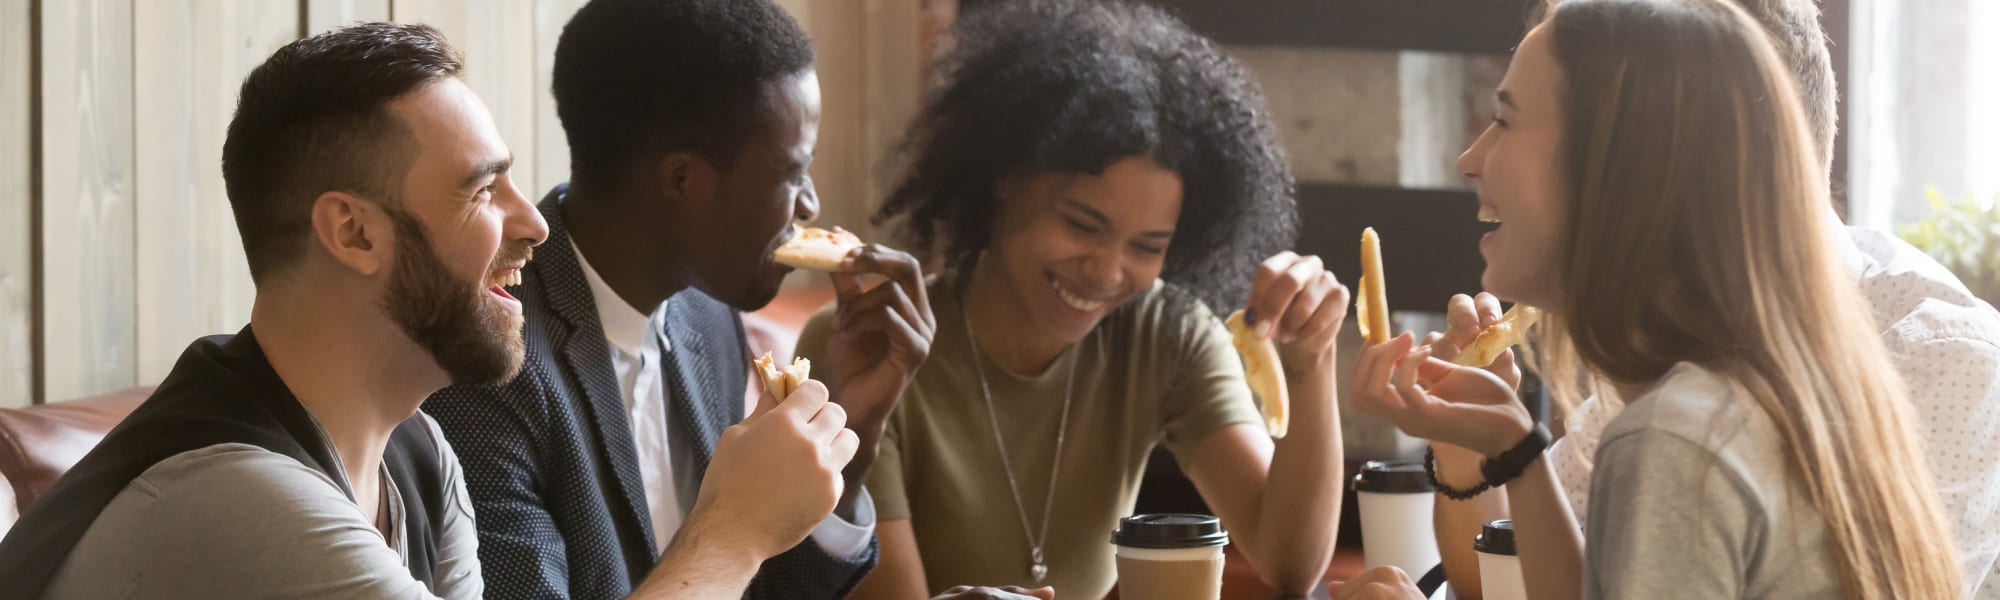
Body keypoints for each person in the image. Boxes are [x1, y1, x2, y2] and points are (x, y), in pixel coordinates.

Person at [1351, 0, 1968, 597]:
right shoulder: (1758, 388)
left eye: (1506, 120)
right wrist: (1517, 453)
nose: (1469, 159)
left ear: (1618, 172)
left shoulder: (1676, 437)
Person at [796, 1, 1349, 597]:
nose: (1107, 271)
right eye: (1083, 225)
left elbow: (1290, 563)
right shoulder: (871, 344)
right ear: (1004, 178)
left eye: (1146, 245)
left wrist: (1310, 362)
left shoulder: (1166, 334)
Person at [0, 22, 541, 598]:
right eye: (483, 190)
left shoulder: (419, 453)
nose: (535, 224)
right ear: (354, 232)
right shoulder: (233, 496)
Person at [421, 0, 936, 598]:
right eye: (791, 173)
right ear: (682, 180)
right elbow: (727, 549)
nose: (810, 205)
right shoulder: (488, 364)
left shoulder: (708, 317)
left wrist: (851, 429)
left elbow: (752, 583)